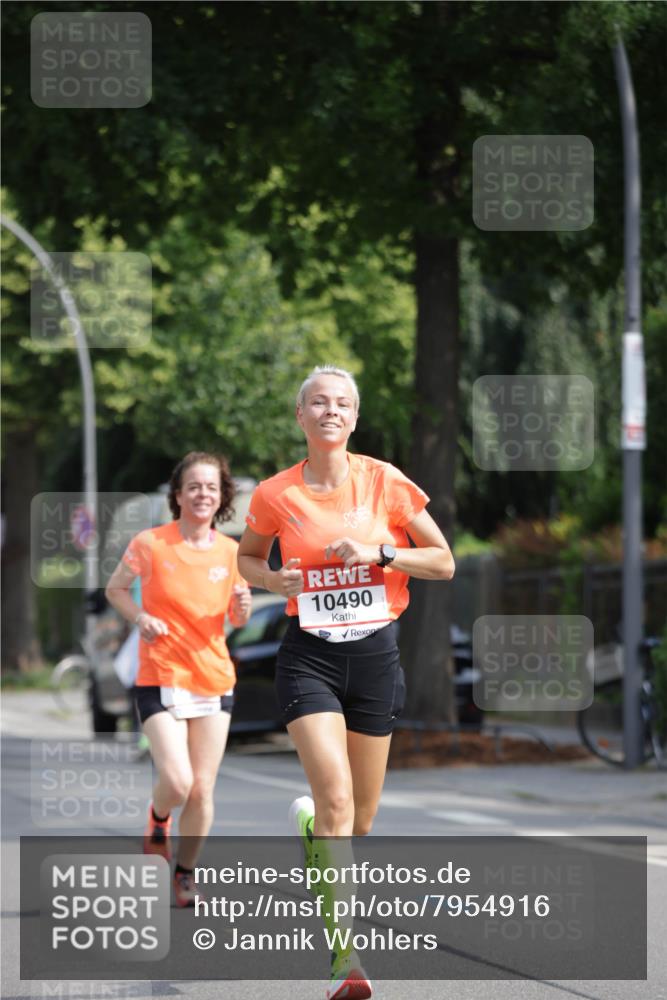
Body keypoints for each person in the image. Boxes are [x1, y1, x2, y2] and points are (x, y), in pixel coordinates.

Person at [237, 365, 454, 999]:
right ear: (299, 416)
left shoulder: (384, 481)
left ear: (354, 419)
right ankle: (344, 961)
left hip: (376, 655)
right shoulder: (277, 494)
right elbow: (248, 557)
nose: (331, 411)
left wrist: (382, 554)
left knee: (358, 820)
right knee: (334, 800)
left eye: (343, 404)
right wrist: (274, 581)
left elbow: (442, 561)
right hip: (310, 657)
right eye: (318, 402)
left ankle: (314, 834)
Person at [105, 452, 251, 906]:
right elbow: (114, 590)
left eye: (211, 486)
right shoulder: (150, 543)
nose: (203, 493)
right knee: (178, 780)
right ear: (178, 494)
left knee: (203, 789)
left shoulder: (232, 552)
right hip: (160, 675)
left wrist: (242, 612)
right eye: (194, 486)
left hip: (213, 677)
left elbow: (235, 616)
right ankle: (158, 818)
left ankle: (184, 874)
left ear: (222, 495)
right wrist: (140, 617)